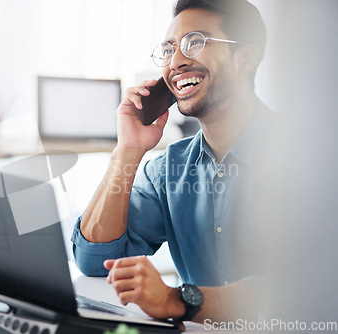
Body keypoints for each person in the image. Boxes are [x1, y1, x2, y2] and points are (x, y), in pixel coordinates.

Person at [71, 0, 272, 324]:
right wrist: (128, 151)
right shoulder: (169, 170)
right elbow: (95, 258)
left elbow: (294, 288)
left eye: (196, 42)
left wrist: (178, 301)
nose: (176, 62)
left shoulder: (307, 158)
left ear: (244, 58)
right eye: (168, 49)